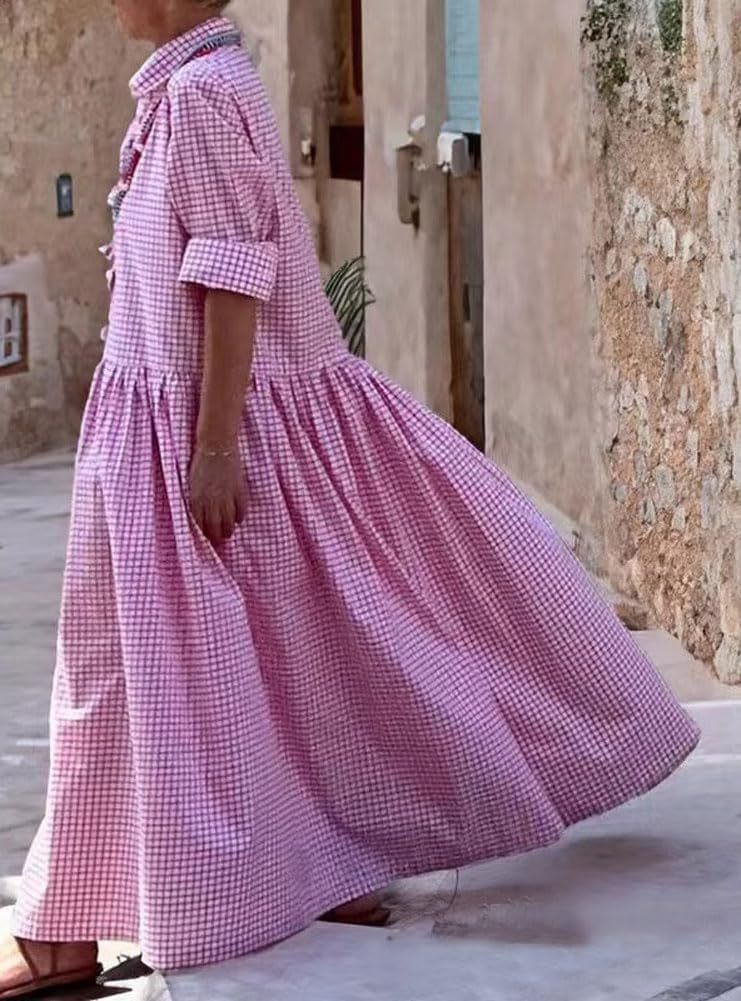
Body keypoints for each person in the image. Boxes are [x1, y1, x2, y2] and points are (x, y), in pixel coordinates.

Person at [0, 1, 700, 995]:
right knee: (292, 655)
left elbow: (234, 277)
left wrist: (214, 445)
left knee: (127, 671)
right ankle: (318, 860)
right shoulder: (189, 87)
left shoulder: (201, 95)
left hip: (204, 427)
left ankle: (66, 930)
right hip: (185, 422)